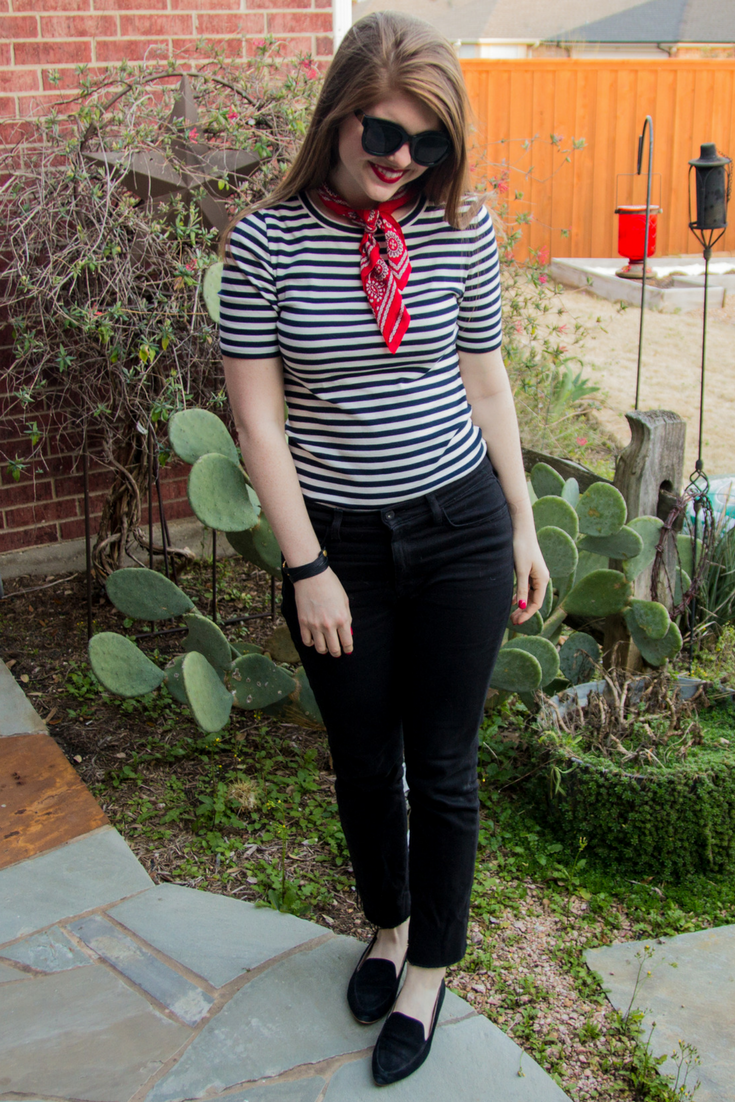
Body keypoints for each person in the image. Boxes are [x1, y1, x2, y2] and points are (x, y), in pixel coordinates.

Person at [220, 11, 548, 1086]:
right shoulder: (264, 243)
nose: (401, 160)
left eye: (428, 144)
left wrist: (522, 516)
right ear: (337, 116)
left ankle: (429, 968)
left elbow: (486, 377)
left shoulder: (464, 228)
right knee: (364, 756)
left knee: (443, 766)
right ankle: (390, 923)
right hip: (342, 546)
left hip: (458, 527)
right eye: (382, 134)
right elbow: (260, 425)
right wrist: (309, 564)